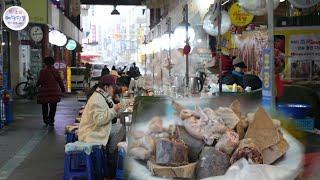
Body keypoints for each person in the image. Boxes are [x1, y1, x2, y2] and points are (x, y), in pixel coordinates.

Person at [78, 75, 123, 145]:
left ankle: (111, 150)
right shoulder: (97, 99)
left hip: (99, 129)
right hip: (92, 133)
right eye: (112, 87)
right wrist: (115, 109)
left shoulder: (104, 96)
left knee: (121, 127)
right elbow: (99, 120)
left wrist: (120, 108)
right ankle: (111, 152)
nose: (113, 90)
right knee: (121, 129)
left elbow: (113, 109)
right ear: (106, 87)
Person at [37, 57, 65, 127]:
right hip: (54, 91)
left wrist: (36, 85)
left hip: (45, 92)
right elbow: (60, 81)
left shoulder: (42, 71)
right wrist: (63, 90)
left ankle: (45, 120)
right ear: (53, 63)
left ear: (45, 63)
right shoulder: (56, 71)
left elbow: (40, 81)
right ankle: (51, 120)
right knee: (53, 107)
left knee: (44, 106)